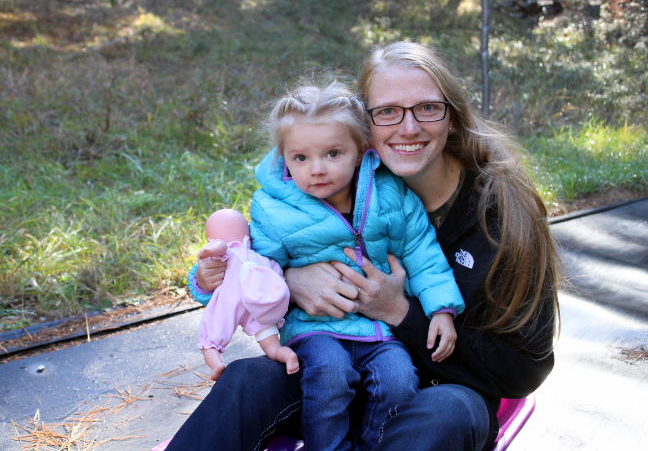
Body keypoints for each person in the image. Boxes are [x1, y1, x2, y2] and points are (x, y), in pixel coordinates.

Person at [166, 40, 560, 451]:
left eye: (428, 108)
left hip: (443, 389)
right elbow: (259, 257)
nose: (409, 128)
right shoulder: (326, 184)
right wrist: (289, 278)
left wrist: (398, 311)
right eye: (387, 111)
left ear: (453, 118)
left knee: (445, 412)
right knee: (247, 379)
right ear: (362, 127)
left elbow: (524, 369)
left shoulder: (502, 214)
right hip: (331, 373)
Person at [190, 80, 464, 451]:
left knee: (400, 380)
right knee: (330, 376)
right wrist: (209, 281)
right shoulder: (274, 210)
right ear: (284, 159)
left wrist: (441, 308)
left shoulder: (390, 195)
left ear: (361, 151)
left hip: (379, 330)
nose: (317, 169)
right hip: (313, 329)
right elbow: (253, 269)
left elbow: (421, 251)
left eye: (333, 154)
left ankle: (373, 444)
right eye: (301, 158)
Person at [196, 208, 298, 381]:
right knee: (271, 344)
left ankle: (216, 364)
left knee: (211, 337)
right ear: (249, 237)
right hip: (258, 302)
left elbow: (219, 246)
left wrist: (209, 251)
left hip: (232, 300)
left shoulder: (225, 253)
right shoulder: (260, 258)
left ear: (211, 240)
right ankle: (285, 355)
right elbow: (277, 276)